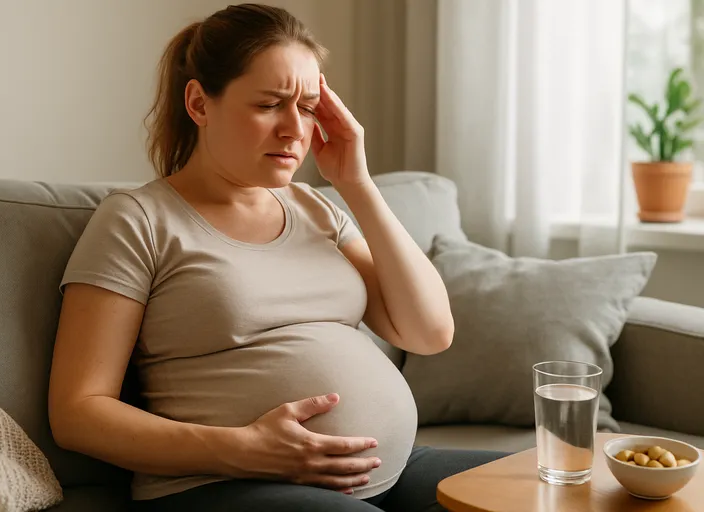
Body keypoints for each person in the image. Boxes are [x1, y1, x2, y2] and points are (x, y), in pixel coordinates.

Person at [48, 4, 507, 511]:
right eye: (269, 104)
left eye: (309, 107)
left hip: (386, 473)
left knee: (556, 490)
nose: (295, 129)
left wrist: (355, 184)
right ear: (200, 104)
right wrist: (243, 450)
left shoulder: (317, 208)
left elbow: (429, 332)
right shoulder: (138, 220)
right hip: (220, 485)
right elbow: (77, 412)